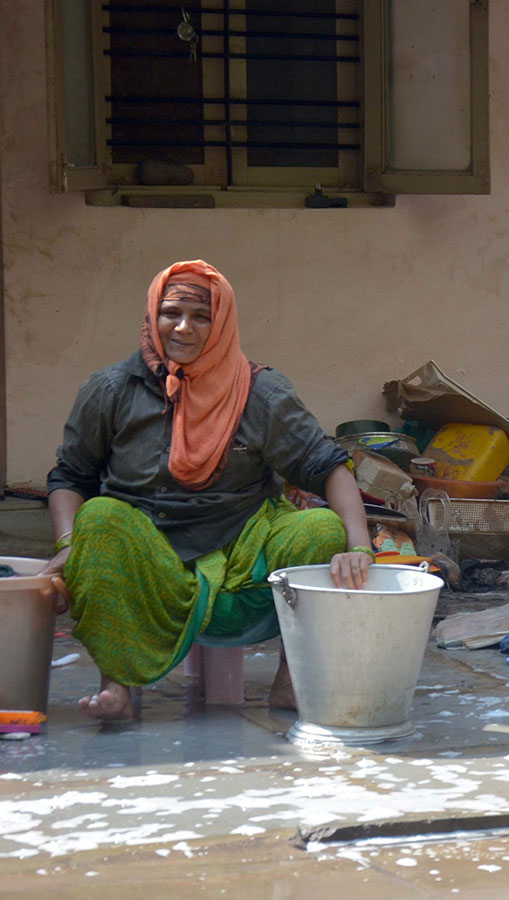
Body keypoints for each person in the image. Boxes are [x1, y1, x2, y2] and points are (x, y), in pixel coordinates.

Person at [42, 260, 373, 721]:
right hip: (146, 548)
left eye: (201, 317)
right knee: (99, 517)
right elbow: (70, 477)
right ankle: (115, 683)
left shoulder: (260, 392)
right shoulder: (111, 389)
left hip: (241, 546)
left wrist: (360, 548)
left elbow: (327, 467)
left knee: (318, 527)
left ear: (222, 324)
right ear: (151, 317)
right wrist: (68, 544)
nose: (184, 327)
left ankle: (293, 679)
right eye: (171, 312)